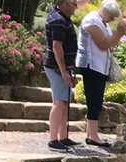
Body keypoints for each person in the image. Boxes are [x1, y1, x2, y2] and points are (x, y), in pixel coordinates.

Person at [76, 0, 126, 148]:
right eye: (111, 17)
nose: (112, 20)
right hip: (91, 65)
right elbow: (104, 44)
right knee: (94, 100)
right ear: (106, 12)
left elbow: (111, 44)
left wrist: (118, 34)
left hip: (100, 67)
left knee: (97, 100)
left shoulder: (102, 23)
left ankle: (91, 134)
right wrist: (119, 32)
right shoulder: (92, 20)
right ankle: (93, 136)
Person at [44, 0, 79, 151]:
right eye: (73, 4)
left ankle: (63, 137)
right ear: (64, 3)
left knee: (64, 102)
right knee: (59, 103)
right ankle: (53, 139)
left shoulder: (62, 17)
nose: (76, 8)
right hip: (56, 68)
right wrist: (63, 71)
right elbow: (57, 46)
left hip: (62, 68)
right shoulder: (58, 20)